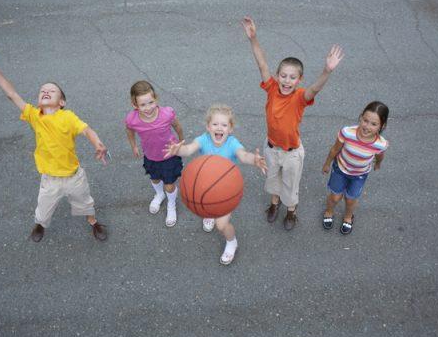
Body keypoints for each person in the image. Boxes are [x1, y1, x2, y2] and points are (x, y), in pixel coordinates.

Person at [0, 46, 108, 242]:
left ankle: (93, 221)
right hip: (49, 178)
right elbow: (12, 94)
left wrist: (98, 144)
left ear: (62, 102)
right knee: (43, 207)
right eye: (42, 91)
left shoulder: (68, 117)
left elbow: (87, 130)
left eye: (52, 90)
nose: (46, 91)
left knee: (84, 203)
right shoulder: (34, 115)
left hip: (74, 176)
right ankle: (40, 224)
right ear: (39, 101)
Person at [242, 16, 344, 230]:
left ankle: (291, 211)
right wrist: (253, 38)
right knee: (272, 181)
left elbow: (315, 89)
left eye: (292, 77)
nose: (287, 81)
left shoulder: (299, 97)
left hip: (292, 152)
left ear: (299, 80)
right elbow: (262, 63)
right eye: (283, 76)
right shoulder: (271, 88)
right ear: (277, 76)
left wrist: (327, 71)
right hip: (271, 148)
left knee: (291, 184)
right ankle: (274, 204)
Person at [164, 104, 267, 265]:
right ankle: (209, 214)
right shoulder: (203, 139)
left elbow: (243, 155)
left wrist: (254, 159)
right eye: (215, 124)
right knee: (205, 203)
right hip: (204, 187)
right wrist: (178, 150)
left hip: (225, 192)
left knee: (221, 224)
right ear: (208, 126)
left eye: (224, 125)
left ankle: (232, 242)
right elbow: (189, 150)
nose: (219, 128)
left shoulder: (232, 143)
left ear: (230, 129)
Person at [321, 101, 389, 235]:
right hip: (340, 169)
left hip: (360, 175)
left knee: (350, 199)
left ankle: (348, 216)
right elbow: (335, 149)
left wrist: (378, 164)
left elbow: (380, 156)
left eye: (374, 124)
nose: (367, 126)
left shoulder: (381, 144)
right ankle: (329, 211)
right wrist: (327, 163)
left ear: (382, 125)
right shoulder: (347, 133)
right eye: (365, 120)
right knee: (335, 197)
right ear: (361, 117)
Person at [125, 80, 184, 227]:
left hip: (169, 156)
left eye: (151, 102)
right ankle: (159, 194)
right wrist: (134, 146)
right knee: (155, 179)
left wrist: (181, 142)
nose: (148, 107)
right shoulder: (132, 119)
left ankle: (171, 204)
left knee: (169, 185)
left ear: (156, 99)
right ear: (135, 105)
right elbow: (129, 132)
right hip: (150, 156)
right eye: (143, 105)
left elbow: (177, 126)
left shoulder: (166, 114)